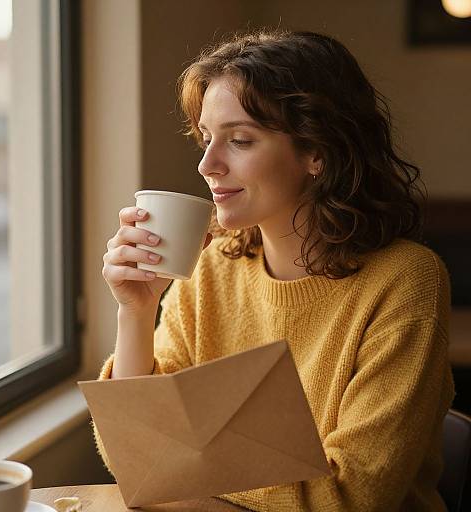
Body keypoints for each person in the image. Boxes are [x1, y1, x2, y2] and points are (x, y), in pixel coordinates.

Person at [97, 29, 454, 511]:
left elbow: (347, 500)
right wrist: (136, 312)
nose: (207, 164)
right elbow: (136, 457)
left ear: (317, 152)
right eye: (206, 139)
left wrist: (185, 467)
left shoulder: (406, 282)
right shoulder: (209, 269)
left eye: (240, 140)